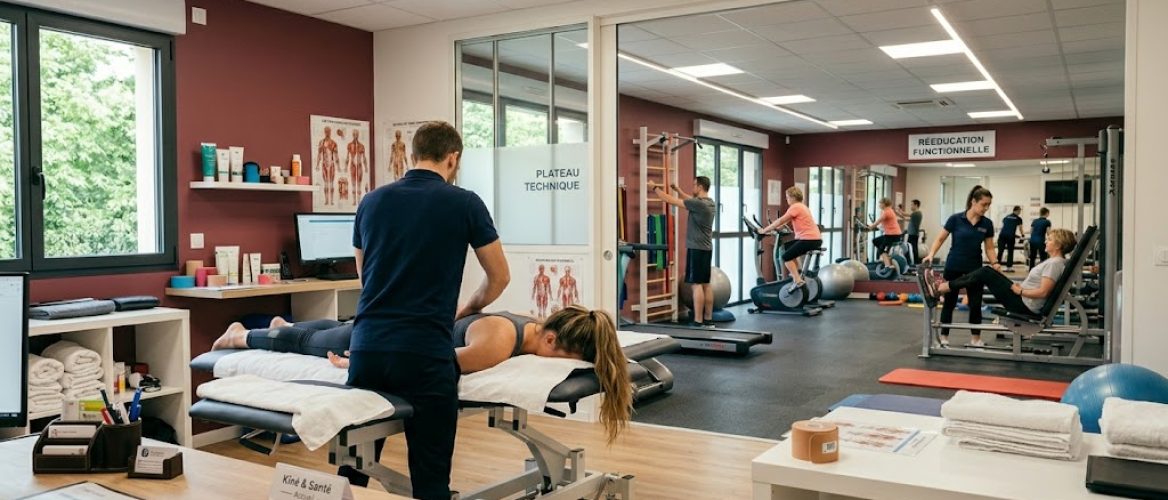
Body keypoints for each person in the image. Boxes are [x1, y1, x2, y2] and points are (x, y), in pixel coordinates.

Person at [345, 121, 509, 498]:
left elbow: (363, 277)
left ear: (413, 155)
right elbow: (499, 276)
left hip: (367, 350)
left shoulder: (370, 201)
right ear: (453, 158)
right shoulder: (465, 202)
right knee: (431, 480)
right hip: (423, 356)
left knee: (353, 465)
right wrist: (467, 308)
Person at [210, 306, 632, 443]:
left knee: (327, 329)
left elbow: (462, 317)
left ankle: (283, 326)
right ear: (553, 339)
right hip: (390, 337)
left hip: (405, 325)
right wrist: (360, 367)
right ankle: (242, 336)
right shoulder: (499, 341)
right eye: (560, 359)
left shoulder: (530, 325)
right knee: (315, 344)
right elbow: (428, 369)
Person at [920, 229, 1077, 318]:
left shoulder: (1054, 264)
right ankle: (942, 287)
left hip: (1024, 304)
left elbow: (1043, 292)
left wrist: (1021, 290)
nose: (1045, 242)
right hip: (1022, 298)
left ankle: (941, 288)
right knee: (987, 271)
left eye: (1049, 240)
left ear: (1058, 245)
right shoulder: (1056, 262)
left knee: (986, 272)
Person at [921, 185, 1001, 348]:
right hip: (954, 265)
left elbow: (990, 247)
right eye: (983, 204)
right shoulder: (955, 219)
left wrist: (995, 263)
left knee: (976, 303)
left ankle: (975, 339)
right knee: (949, 302)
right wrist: (931, 254)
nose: (986, 208)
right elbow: (940, 238)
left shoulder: (987, 224)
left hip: (975, 268)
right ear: (974, 201)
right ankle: (944, 338)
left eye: (988, 205)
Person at [650, 177, 715, 328]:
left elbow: (668, 199)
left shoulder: (697, 203)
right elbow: (690, 201)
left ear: (699, 187)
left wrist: (654, 188)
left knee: (696, 285)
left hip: (696, 249)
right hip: (706, 248)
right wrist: (678, 190)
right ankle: (708, 319)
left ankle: (698, 321)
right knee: (706, 284)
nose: (692, 187)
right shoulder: (709, 203)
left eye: (693, 185)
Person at [760, 186, 822, 290]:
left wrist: (764, 230)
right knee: (785, 247)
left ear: (793, 197)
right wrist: (774, 229)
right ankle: (796, 272)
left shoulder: (795, 207)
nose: (786, 199)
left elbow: (780, 220)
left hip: (808, 240)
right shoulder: (802, 207)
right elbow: (784, 222)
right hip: (814, 239)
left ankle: (797, 280)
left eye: (787, 197)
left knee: (785, 257)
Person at [868, 198, 904, 270]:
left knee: (881, 249)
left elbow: (878, 221)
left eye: (880, 203)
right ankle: (885, 256)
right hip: (891, 234)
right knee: (875, 241)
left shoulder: (887, 212)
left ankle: (888, 265)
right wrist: (875, 227)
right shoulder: (888, 211)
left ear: (884, 204)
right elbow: (883, 223)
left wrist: (870, 227)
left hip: (893, 235)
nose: (879, 205)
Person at [316, 126, 340, 206]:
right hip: (324, 164)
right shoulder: (321, 142)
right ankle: (326, 200)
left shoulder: (333, 143)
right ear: (324, 132)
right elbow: (319, 154)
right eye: (326, 131)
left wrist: (338, 166)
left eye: (328, 131)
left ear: (330, 132)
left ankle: (332, 201)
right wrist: (317, 165)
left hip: (332, 164)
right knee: (326, 183)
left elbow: (336, 156)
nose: (327, 132)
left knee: (332, 183)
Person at [997, 206, 1025, 272]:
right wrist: (1022, 235)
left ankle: (996, 266)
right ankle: (1009, 267)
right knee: (1010, 251)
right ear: (1017, 210)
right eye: (1020, 211)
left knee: (1000, 251)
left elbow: (1006, 227)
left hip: (1002, 235)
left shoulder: (1006, 217)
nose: (1020, 212)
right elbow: (1020, 228)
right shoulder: (1018, 218)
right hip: (1010, 236)